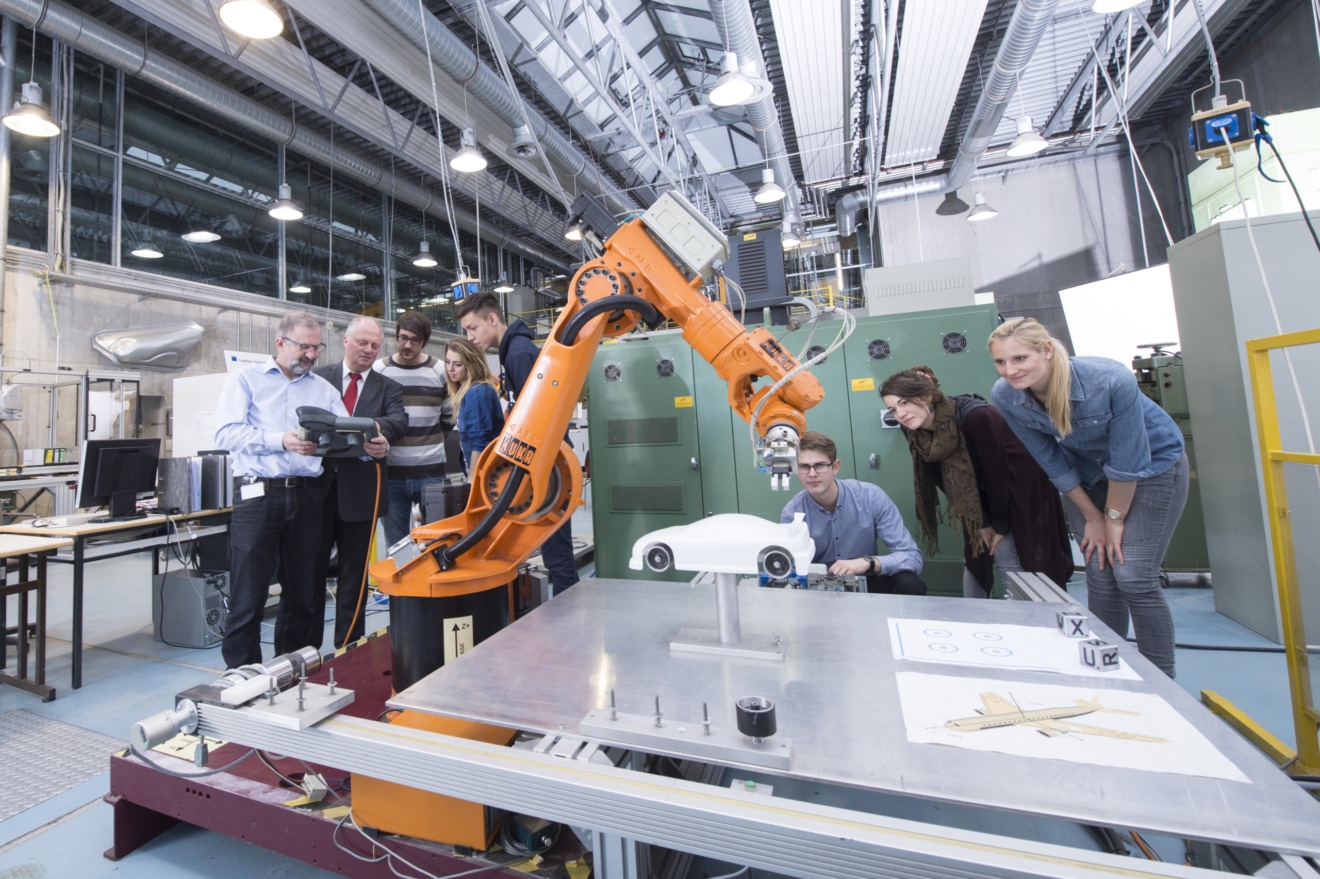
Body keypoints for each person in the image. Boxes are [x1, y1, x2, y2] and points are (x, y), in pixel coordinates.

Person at [988, 317, 1188, 677]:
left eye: (1019, 359)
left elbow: (1129, 463)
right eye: (1001, 362)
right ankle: (1102, 667)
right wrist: (1092, 517)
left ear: (1046, 350)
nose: (1010, 371)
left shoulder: (1110, 380)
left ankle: (1161, 680)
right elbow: (1051, 462)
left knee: (1132, 576)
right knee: (1099, 570)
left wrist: (1113, 519)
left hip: (1152, 468)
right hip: (1086, 475)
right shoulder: (1006, 396)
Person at [213, 311, 384, 669]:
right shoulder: (246, 381)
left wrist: (370, 448)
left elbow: (344, 435)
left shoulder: (323, 390)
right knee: (250, 591)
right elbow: (226, 434)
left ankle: (294, 669)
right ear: (280, 343)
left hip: (309, 497)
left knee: (305, 591)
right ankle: (242, 674)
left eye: (316, 348)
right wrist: (281, 441)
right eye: (303, 347)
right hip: (258, 495)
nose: (310, 355)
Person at [879, 366, 1072, 599]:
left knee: (1007, 553)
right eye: (893, 409)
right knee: (975, 555)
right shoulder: (912, 427)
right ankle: (974, 618)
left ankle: (1027, 620)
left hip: (1019, 488)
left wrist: (996, 526)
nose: (901, 413)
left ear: (926, 397)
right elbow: (939, 476)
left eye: (905, 403)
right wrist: (980, 521)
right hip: (972, 494)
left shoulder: (977, 416)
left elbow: (996, 476)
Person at [456, 291, 580, 595]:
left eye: (473, 328)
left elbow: (537, 418)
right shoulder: (511, 351)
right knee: (553, 553)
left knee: (558, 556)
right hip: (542, 470)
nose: (470, 337)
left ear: (493, 319)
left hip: (547, 472)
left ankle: (573, 624)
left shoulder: (519, 353)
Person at [312, 317, 407, 649]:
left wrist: (370, 430)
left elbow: (398, 420)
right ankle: (305, 652)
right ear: (346, 341)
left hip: (362, 493)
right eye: (363, 343)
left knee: (354, 576)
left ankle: (348, 646)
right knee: (310, 571)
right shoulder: (317, 378)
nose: (369, 350)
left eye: (375, 346)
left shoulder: (388, 388)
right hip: (315, 492)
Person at [779, 430, 926, 594]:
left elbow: (912, 557)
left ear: (835, 467)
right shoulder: (792, 513)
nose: (812, 474)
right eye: (804, 467)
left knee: (910, 584)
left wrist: (867, 563)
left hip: (866, 581)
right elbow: (789, 570)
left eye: (820, 465)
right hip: (819, 589)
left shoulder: (870, 497)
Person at [373, 310, 453, 548]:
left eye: (414, 340)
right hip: (391, 475)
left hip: (431, 474)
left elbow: (448, 418)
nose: (407, 345)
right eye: (402, 338)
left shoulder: (439, 371)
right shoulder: (380, 370)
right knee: (396, 548)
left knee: (438, 544)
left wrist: (425, 443)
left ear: (425, 342)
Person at [444, 337, 505, 475]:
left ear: (471, 365)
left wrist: (472, 482)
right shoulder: (470, 391)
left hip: (485, 475)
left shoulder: (477, 392)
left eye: (458, 364)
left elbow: (479, 443)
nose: (450, 369)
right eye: (448, 362)